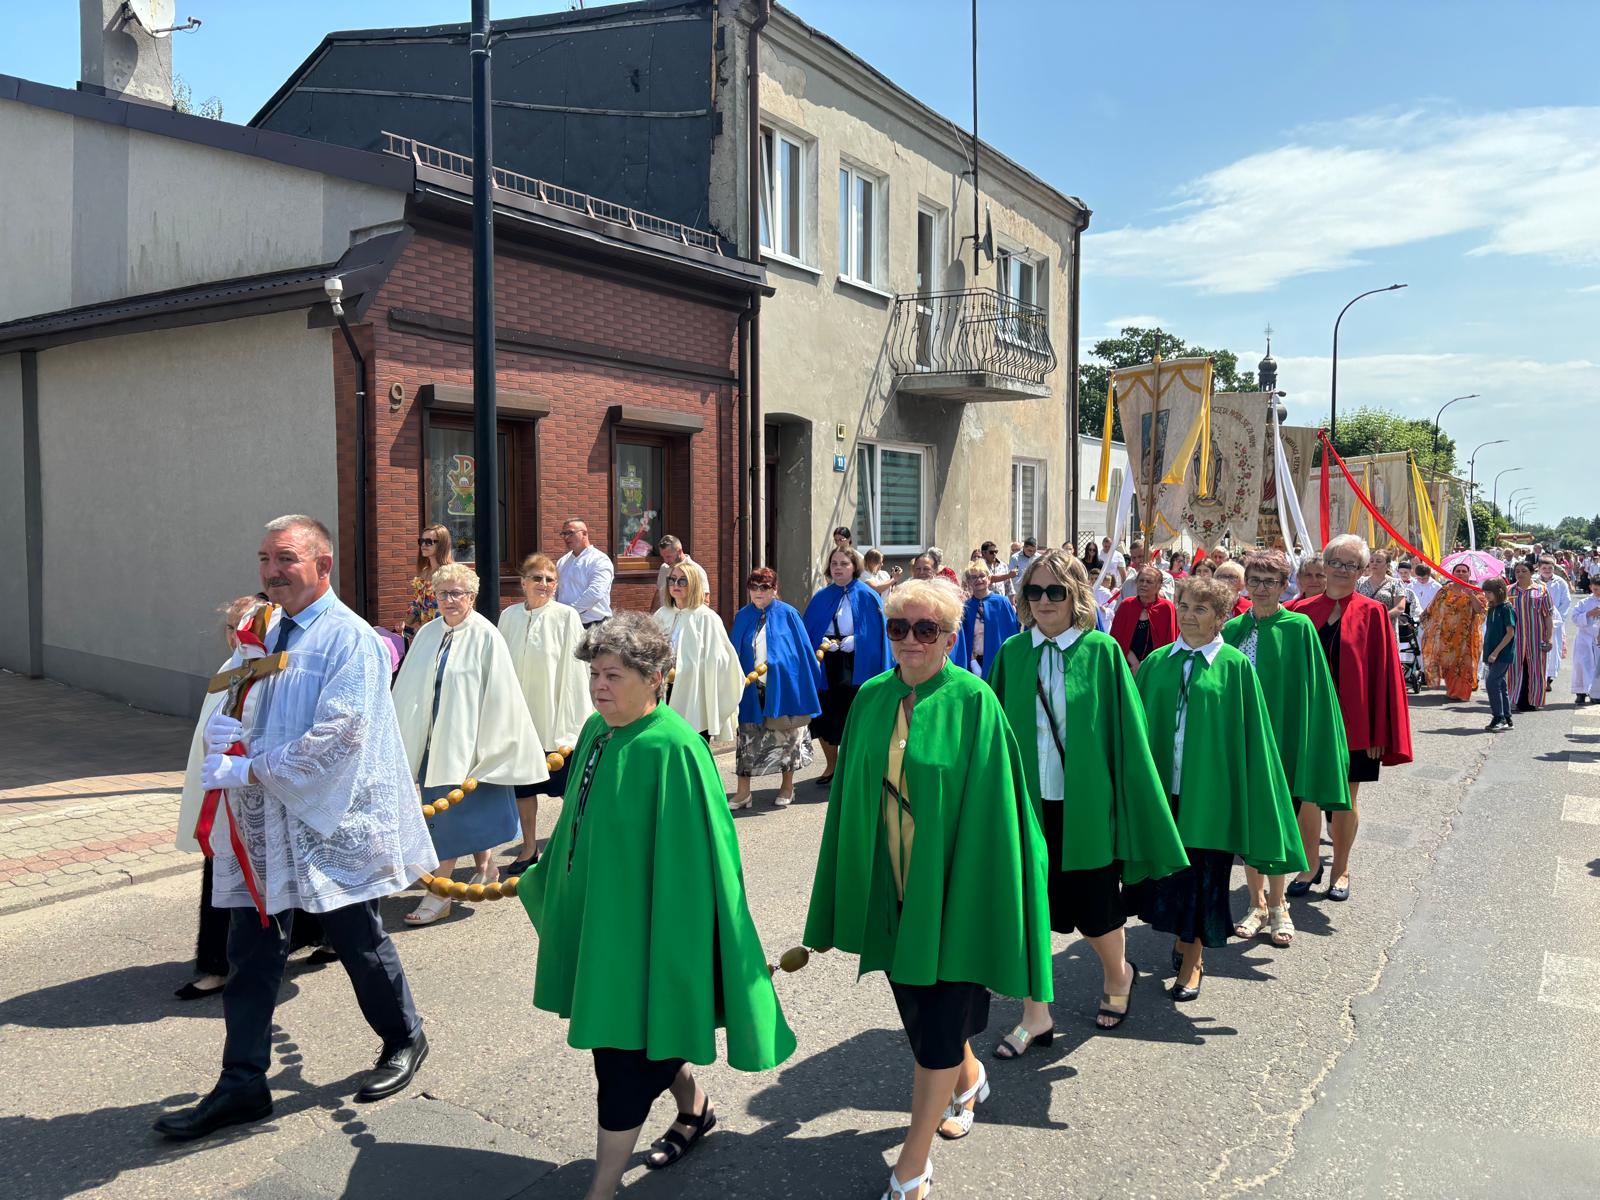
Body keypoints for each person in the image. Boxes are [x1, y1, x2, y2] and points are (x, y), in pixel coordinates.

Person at [156, 515, 436, 1141]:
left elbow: (342, 733)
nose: (272, 571)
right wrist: (226, 730)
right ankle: (242, 1084)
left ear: (322, 564)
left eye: (285, 558)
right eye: (264, 559)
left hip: (328, 823)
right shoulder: (263, 630)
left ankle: (404, 1037)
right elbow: (245, 700)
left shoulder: (348, 638)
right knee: (250, 954)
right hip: (264, 824)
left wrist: (251, 767)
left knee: (359, 941)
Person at [519, 612, 795, 1198]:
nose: (599, 686)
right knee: (645, 1034)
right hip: (603, 924)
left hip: (648, 935)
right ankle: (696, 1109)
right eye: (594, 674)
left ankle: (602, 1188)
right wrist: (554, 883)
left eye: (613, 675)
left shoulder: (675, 747)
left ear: (655, 678)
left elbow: (704, 863)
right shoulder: (597, 731)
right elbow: (576, 826)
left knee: (621, 1055)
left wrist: (679, 951)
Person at [804, 577, 1052, 1200]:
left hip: (952, 895)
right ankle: (969, 1080)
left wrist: (981, 895)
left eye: (926, 629)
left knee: (936, 1031)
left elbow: (996, 815)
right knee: (919, 1015)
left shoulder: (974, 701)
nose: (910, 640)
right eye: (898, 628)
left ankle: (911, 1164)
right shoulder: (870, 697)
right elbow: (850, 802)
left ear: (949, 637)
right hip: (893, 893)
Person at [988, 552, 1186, 1051]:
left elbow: (1128, 737)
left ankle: (1119, 974)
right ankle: (1035, 1014)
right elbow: (992, 736)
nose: (1044, 601)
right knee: (1027, 907)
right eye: (1035, 591)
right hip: (1028, 804)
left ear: (1076, 595)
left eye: (1055, 591)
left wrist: (1135, 806)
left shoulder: (1102, 652)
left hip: (1087, 805)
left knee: (1096, 909)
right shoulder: (1013, 652)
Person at [1125, 577, 1303, 1001]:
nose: (1189, 616)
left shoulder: (1235, 667)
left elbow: (1251, 738)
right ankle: (1183, 936)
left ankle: (1194, 960)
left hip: (1211, 797)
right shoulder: (1156, 662)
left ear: (1222, 617)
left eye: (1201, 609)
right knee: (1171, 877)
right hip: (1165, 792)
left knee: (1204, 879)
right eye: (1184, 606)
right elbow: (1137, 730)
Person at [393, 563, 546, 925]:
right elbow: (410, 686)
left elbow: (501, 694)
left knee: (449, 817)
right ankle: (486, 865)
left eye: (456, 593)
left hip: (469, 742)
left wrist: (491, 747)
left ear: (472, 597)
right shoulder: (428, 633)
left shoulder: (486, 635)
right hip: (431, 740)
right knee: (450, 810)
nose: (449, 600)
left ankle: (440, 891)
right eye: (442, 593)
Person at [1223, 551, 1349, 947]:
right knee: (1247, 825)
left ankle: (1278, 905)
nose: (1261, 588)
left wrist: (1308, 743)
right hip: (1241, 742)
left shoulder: (1299, 628)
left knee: (1277, 822)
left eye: (1270, 582)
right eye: (1254, 580)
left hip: (1281, 743)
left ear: (1283, 586)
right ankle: (1256, 902)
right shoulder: (1232, 629)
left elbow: (1313, 692)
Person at [1287, 534, 1413, 902]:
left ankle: (1340, 868)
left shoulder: (1373, 613)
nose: (1342, 570)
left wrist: (1378, 731)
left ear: (1362, 570)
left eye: (1351, 565)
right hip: (1309, 722)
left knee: (1345, 798)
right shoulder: (1300, 611)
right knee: (1307, 798)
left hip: (1353, 724)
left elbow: (1383, 674)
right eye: (1336, 563)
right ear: (1324, 566)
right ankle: (1310, 864)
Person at [498, 553, 593, 876]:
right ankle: (529, 848)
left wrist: (571, 723)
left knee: (568, 788)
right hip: (519, 721)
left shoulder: (566, 616)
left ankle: (574, 847)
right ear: (522, 582)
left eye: (550, 579)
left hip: (555, 719)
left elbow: (576, 672)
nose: (543, 584)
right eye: (536, 578)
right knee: (523, 789)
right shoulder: (509, 616)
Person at [730, 567, 821, 809]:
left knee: (787, 737)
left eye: (764, 587)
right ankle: (743, 793)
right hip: (751, 689)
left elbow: (802, 651)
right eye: (753, 586)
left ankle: (787, 787)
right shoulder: (742, 616)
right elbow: (732, 652)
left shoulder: (788, 614)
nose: (758, 591)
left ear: (775, 589)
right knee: (746, 738)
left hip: (782, 686)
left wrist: (783, 666)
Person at [803, 547, 891, 786]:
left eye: (844, 563)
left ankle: (853, 767)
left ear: (854, 567)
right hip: (827, 660)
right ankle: (832, 765)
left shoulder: (867, 595)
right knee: (826, 712)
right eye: (834, 563)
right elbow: (808, 630)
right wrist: (821, 640)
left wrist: (858, 641)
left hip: (858, 663)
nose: (838, 568)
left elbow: (878, 633)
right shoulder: (821, 597)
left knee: (854, 712)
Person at [654, 557, 744, 743]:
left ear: (694, 584)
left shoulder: (706, 618)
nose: (675, 585)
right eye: (672, 580)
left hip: (693, 693)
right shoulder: (662, 614)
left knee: (689, 743)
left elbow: (722, 661)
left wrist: (691, 667)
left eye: (682, 581)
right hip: (662, 689)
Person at [1418, 563, 1486, 703]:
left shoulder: (1476, 591)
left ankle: (1462, 693)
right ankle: (1452, 690)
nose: (1460, 573)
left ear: (1469, 574)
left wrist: (1471, 595)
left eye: (1464, 571)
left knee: (1465, 665)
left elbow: (1480, 610)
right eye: (1458, 571)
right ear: (1452, 573)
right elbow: (1433, 608)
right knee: (1449, 665)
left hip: (1467, 636)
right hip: (1446, 636)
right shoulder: (1445, 590)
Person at [1109, 565, 1177, 672]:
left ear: (1159, 586)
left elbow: (1169, 642)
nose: (1143, 584)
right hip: (1127, 667)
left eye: (1149, 582)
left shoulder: (1166, 608)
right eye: (1141, 581)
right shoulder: (1126, 605)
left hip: (1156, 667)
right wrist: (1135, 664)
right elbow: (1117, 639)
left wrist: (1145, 666)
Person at [960, 560, 1020, 678]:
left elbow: (1011, 633)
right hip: (974, 664)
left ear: (988, 579)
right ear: (969, 582)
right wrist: (973, 663)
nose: (978, 580)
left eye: (982, 576)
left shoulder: (1002, 602)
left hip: (998, 662)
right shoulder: (966, 607)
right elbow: (964, 639)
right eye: (974, 577)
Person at [1508, 561, 1555, 711]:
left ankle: (1534, 700)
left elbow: (1548, 616)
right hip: (1514, 638)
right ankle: (1512, 700)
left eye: (1524, 571)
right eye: (1517, 571)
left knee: (1536, 669)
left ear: (1531, 572)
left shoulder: (1541, 590)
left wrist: (1549, 638)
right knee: (1514, 669)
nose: (1520, 574)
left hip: (1536, 637)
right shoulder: (1509, 591)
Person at [556, 518, 615, 627]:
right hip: (565, 623)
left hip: (594, 625)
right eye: (563, 534)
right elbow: (556, 590)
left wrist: (570, 612)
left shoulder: (599, 560)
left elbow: (595, 592)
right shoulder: (562, 561)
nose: (566, 537)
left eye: (570, 533)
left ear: (584, 534)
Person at [406, 524, 454, 638]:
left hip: (444, 635)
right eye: (421, 541)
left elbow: (453, 609)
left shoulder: (451, 573)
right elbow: (417, 606)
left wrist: (425, 628)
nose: (423, 545)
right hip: (426, 635)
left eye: (428, 542)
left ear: (442, 544)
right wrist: (406, 623)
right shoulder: (424, 572)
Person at [1482, 577, 1517, 730]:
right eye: (1485, 592)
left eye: (1489, 592)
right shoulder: (1492, 608)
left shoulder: (1506, 608)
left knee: (1491, 683)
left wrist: (1495, 652)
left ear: (1499, 592)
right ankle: (1507, 717)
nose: (1486, 595)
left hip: (1503, 653)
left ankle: (1499, 717)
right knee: (1500, 684)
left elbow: (1510, 633)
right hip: (1492, 651)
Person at [1357, 549, 1410, 639]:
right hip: (1364, 628)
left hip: (1386, 629)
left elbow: (1400, 608)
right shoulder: (1360, 582)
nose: (1374, 564)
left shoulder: (1396, 583)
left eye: (1378, 561)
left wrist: (1380, 617)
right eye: (1372, 561)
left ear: (1387, 565)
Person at [1538, 557, 1572, 687]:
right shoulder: (1534, 581)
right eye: (1544, 568)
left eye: (1550, 568)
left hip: (1554, 621)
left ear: (1554, 568)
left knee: (1553, 650)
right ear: (1539, 569)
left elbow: (1566, 601)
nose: (1547, 570)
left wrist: (1558, 619)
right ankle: (1539, 676)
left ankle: (1549, 678)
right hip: (1538, 620)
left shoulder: (1560, 582)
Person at [653, 535, 709, 611]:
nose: (665, 561)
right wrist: (652, 615)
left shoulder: (696, 570)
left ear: (679, 551)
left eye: (668, 556)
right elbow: (659, 593)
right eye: (663, 557)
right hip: (665, 616)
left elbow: (705, 601)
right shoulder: (664, 567)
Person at [1569, 576, 1600, 703]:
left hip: (1598, 639)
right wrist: (1588, 614)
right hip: (1584, 638)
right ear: (1591, 587)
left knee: (1598, 667)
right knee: (1581, 665)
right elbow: (1574, 618)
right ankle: (1580, 692)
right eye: (1596, 589)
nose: (1598, 592)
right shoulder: (1584, 603)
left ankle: (1596, 693)